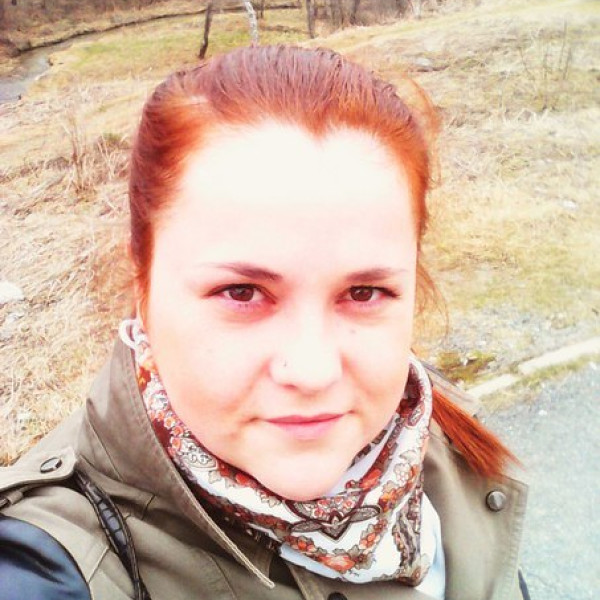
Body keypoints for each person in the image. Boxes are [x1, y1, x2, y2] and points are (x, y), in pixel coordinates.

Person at [0, 45, 528, 600]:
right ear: (143, 285)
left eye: (364, 292)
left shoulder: (441, 443)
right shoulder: (49, 570)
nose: (313, 372)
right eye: (242, 292)